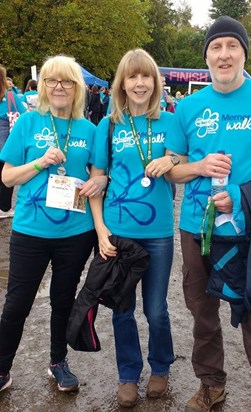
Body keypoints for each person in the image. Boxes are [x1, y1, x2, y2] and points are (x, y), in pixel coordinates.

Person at [165, 16, 251, 412]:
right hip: (196, 229)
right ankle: (211, 385)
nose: (224, 55)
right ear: (206, 56)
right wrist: (199, 167)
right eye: (215, 48)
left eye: (232, 46)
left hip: (250, 229)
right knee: (203, 316)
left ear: (244, 52)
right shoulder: (188, 106)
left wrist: (243, 195)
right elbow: (172, 166)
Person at [0, 55, 106, 393]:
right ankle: (2, 369)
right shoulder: (28, 124)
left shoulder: (89, 130)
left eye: (67, 81)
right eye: (52, 81)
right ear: (43, 86)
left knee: (63, 300)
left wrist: (100, 182)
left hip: (76, 233)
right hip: (30, 231)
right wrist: (39, 162)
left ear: (77, 89)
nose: (59, 87)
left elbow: (98, 175)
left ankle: (58, 362)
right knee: (17, 304)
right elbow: (6, 178)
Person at [89, 48, 176, 408]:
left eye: (146, 76)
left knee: (155, 309)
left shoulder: (170, 121)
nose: (139, 83)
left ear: (155, 82)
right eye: (132, 76)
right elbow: (96, 181)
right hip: (118, 232)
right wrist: (100, 230)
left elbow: (183, 161)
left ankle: (160, 366)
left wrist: (169, 158)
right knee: (121, 309)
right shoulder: (107, 126)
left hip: (158, 232)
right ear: (121, 83)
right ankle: (128, 374)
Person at [0, 65, 26, 219]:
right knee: (6, 177)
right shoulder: (10, 97)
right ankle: (4, 208)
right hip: (4, 146)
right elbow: (23, 114)